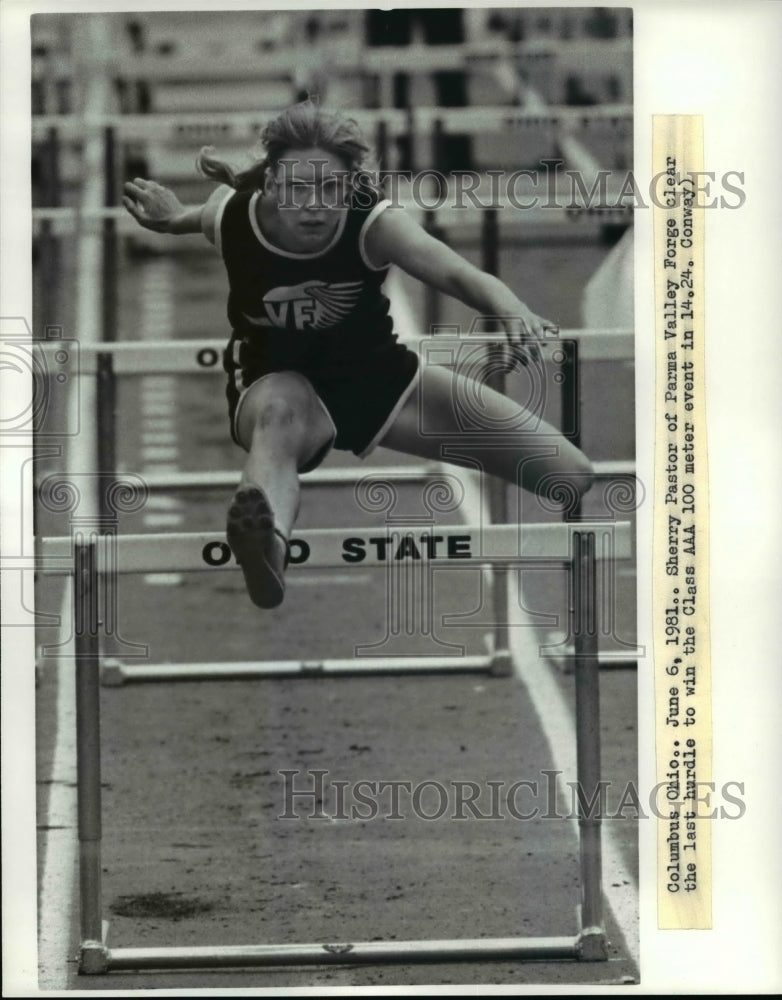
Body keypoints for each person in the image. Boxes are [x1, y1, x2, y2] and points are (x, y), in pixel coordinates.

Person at [123, 100, 594, 609]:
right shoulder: (236, 214)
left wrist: (511, 308)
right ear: (272, 185)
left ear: (352, 186)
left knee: (570, 473)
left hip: (375, 379)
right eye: (298, 188)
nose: (314, 205)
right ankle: (266, 550)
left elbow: (459, 273)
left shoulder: (374, 223)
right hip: (275, 383)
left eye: (331, 188)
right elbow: (200, 216)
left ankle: (267, 537)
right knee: (281, 414)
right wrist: (172, 220)